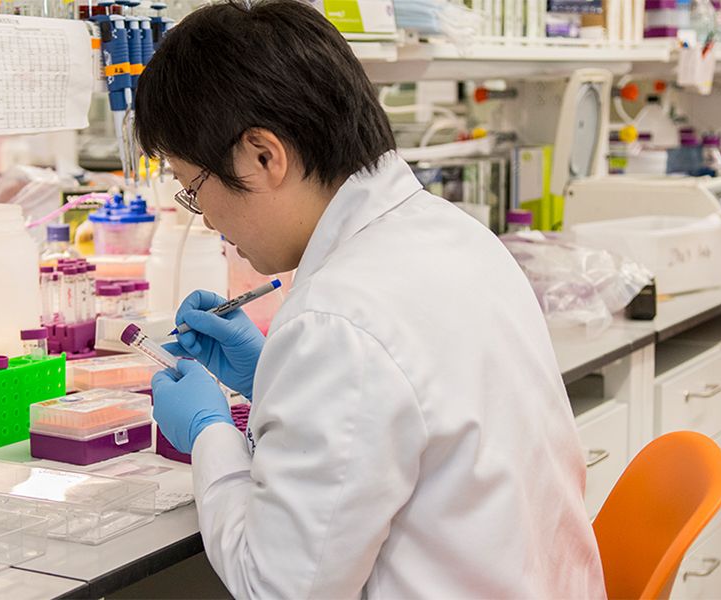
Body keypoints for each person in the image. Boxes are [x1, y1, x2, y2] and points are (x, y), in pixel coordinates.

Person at [136, 1, 606, 598]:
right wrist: (273, 383)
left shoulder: (337, 321)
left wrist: (209, 433)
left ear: (263, 156)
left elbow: (278, 587)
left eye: (193, 187)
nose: (205, 218)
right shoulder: (452, 233)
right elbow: (404, 410)